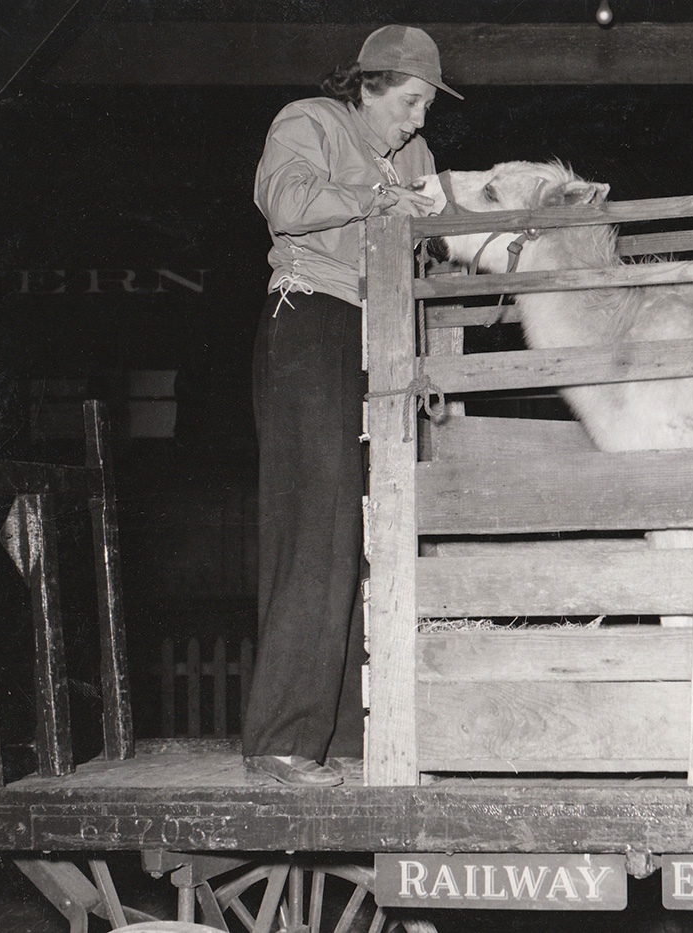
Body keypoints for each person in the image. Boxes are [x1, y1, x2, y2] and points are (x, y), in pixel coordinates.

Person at [243, 25, 462, 786]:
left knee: (375, 528)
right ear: (368, 86)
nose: (419, 119)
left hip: (384, 334)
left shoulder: (417, 156)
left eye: (427, 106)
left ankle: (341, 734)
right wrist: (377, 197)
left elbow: (427, 241)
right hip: (310, 321)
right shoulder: (309, 121)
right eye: (410, 102)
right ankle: (280, 740)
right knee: (318, 524)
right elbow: (284, 201)